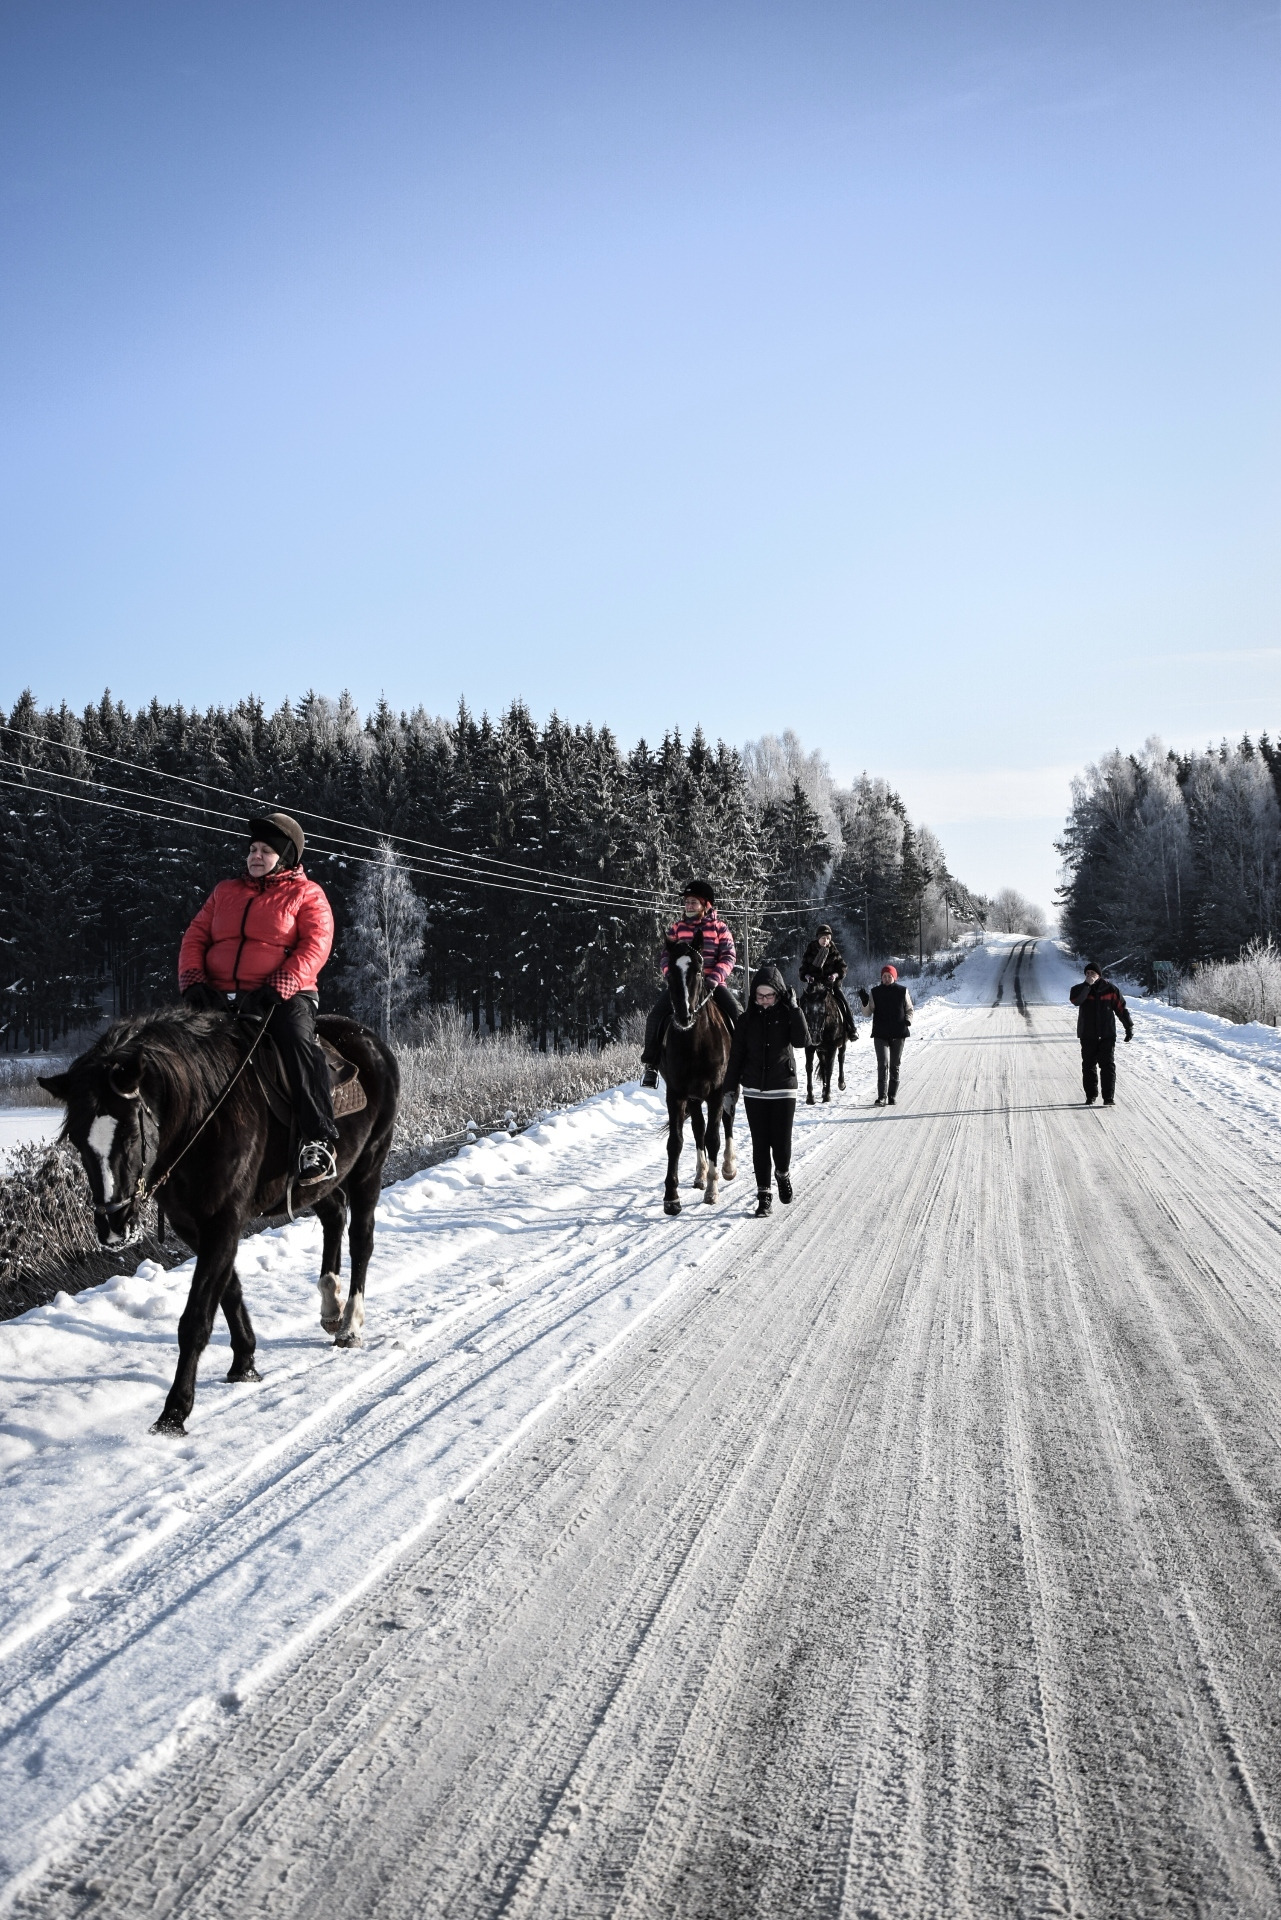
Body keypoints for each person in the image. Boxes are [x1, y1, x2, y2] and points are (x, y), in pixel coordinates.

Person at [178, 812, 340, 1181]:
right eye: (252, 848)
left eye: (266, 850)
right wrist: (194, 982)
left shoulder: (307, 894)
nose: (255, 855)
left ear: (285, 857)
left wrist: (276, 988)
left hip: (285, 996)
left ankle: (318, 1140)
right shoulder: (224, 892)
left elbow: (316, 945)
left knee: (298, 1046)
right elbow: (195, 937)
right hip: (219, 997)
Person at [723, 964, 811, 1216]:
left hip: (783, 1087)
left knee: (781, 1145)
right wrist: (729, 1090)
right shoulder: (745, 1020)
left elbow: (801, 1041)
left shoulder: (787, 1013)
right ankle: (764, 1197)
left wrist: (795, 1009)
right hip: (754, 1090)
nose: (763, 1001)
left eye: (769, 995)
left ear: (779, 993)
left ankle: (782, 1174)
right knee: (760, 1145)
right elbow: (736, 1057)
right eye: (759, 996)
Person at [640, 880, 740, 1088]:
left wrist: (715, 977)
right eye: (687, 902)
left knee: (738, 1013)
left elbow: (729, 956)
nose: (689, 906)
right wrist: (671, 976)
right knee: (655, 1017)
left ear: (706, 904)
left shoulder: (720, 928)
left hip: (712, 984)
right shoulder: (676, 928)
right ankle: (651, 1065)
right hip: (682, 986)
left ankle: (744, 1064)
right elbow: (665, 956)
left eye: (693, 902)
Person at [1069, 960, 1133, 1105]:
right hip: (1087, 1034)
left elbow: (1121, 1009)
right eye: (1087, 973)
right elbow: (1076, 1001)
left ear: (1099, 975)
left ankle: (1108, 1097)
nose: (1090, 975)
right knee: (1088, 1066)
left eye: (1093, 973)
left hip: (1107, 1034)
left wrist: (1128, 1027)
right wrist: (1087, 985)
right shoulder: (1079, 989)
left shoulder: (1110, 990)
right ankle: (1091, 1096)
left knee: (1107, 1065)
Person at [857, 963, 913, 1106]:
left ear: (894, 977)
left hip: (898, 1033)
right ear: (881, 978)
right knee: (882, 1064)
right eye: (884, 977)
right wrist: (864, 1002)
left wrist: (908, 1020)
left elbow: (909, 1009)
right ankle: (881, 1097)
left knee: (895, 1065)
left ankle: (892, 1095)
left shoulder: (902, 991)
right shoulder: (875, 992)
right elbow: (868, 1013)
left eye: (889, 976)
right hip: (880, 1033)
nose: (887, 979)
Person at [799, 923, 858, 1039]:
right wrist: (807, 977)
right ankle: (798, 1031)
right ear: (818, 938)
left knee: (844, 1003)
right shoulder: (810, 950)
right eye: (823, 938)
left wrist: (835, 975)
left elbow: (843, 967)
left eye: (827, 938)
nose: (825, 941)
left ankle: (852, 1029)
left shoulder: (833, 950)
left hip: (831, 986)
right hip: (814, 986)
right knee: (800, 1004)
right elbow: (803, 969)